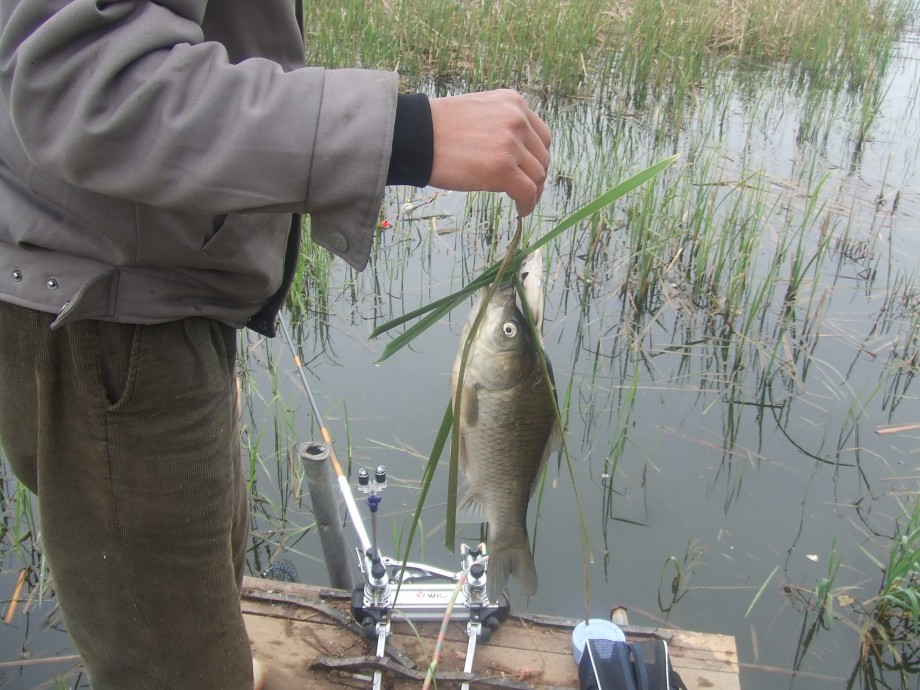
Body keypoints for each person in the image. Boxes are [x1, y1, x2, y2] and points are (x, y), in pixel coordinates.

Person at [0, 1, 551, 688]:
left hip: (157, 299)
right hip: (111, 321)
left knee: (208, 603)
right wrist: (405, 133)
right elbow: (85, 87)